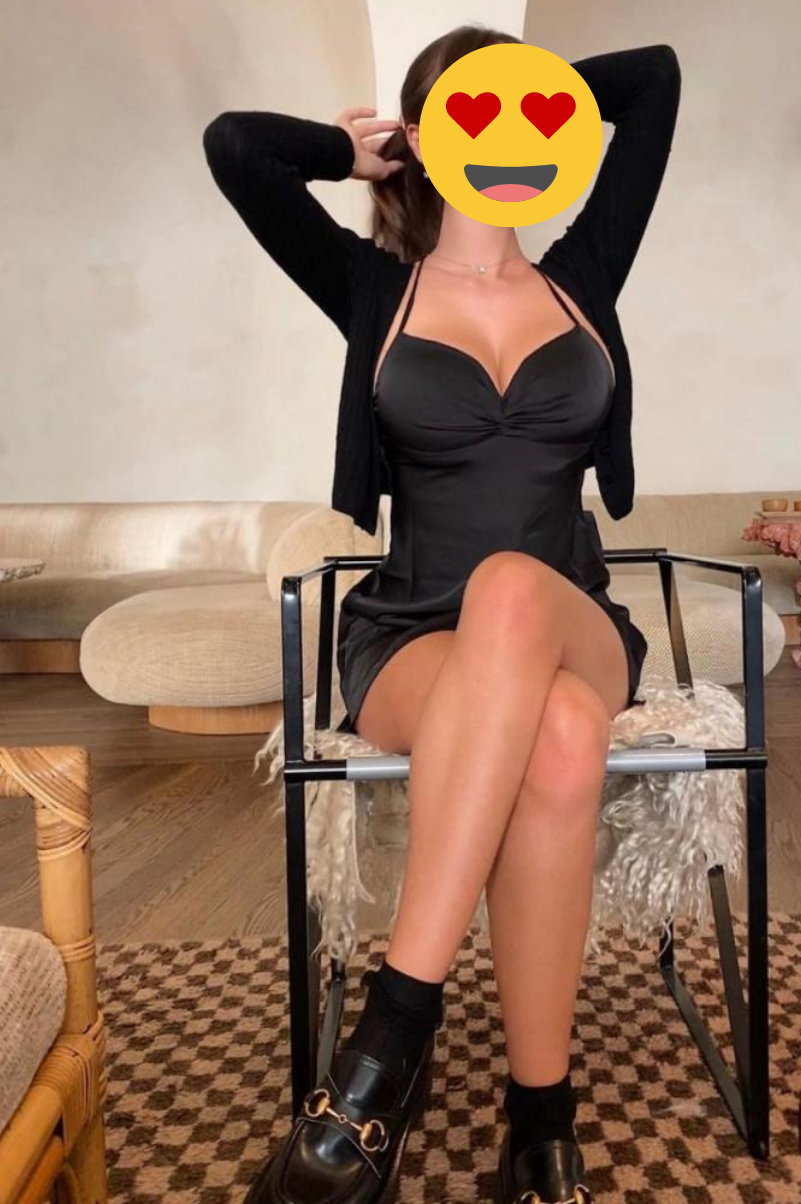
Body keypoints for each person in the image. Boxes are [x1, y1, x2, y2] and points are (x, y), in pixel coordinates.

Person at [203, 23, 680, 1204]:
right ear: (427, 137)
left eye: (527, 110)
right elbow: (236, 148)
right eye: (478, 110)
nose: (508, 128)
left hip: (571, 618)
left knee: (513, 588)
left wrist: (530, 93)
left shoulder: (584, 271)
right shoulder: (374, 288)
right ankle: (541, 1128)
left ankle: (387, 1043)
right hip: (410, 635)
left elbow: (653, 81)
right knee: (559, 740)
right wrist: (359, 151)